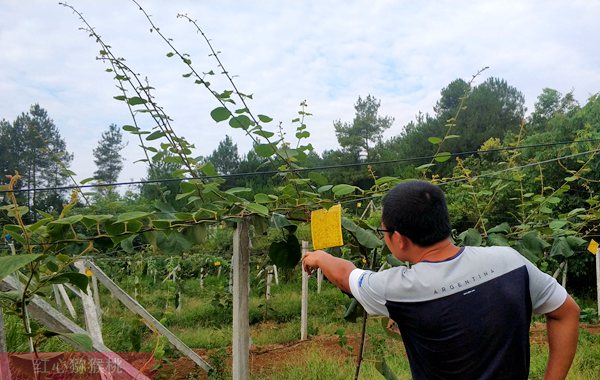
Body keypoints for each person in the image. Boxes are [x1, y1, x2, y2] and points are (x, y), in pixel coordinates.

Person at [302, 180, 580, 380]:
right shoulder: (511, 262)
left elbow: (345, 275)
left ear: (398, 239)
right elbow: (568, 312)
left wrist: (318, 257)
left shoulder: (399, 288)